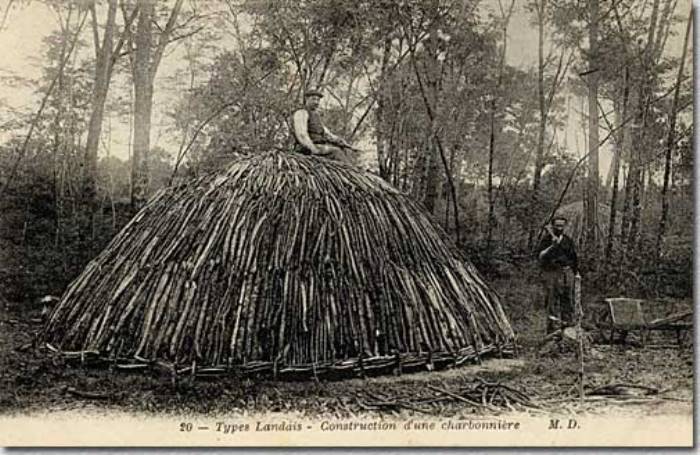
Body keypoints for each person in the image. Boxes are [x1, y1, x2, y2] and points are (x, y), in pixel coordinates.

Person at [536, 215, 579, 335]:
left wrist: (575, 273)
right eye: (557, 225)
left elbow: (574, 257)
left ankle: (567, 330)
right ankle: (552, 331)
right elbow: (540, 256)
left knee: (568, 301)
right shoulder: (546, 240)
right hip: (552, 273)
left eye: (562, 225)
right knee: (552, 301)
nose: (559, 228)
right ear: (553, 226)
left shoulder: (568, 241)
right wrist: (552, 247)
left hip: (567, 273)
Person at [290, 89, 358, 162]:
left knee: (344, 150)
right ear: (306, 99)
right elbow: (302, 135)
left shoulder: (316, 116)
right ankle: (347, 169)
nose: (316, 102)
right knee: (336, 152)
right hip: (306, 148)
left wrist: (341, 142)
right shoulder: (301, 113)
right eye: (313, 99)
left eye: (318, 100)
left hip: (319, 146)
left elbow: (328, 134)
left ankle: (353, 169)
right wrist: (313, 149)